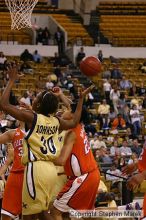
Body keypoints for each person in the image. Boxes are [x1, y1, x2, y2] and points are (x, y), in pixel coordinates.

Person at [0, 65, 93, 220]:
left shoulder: (33, 118)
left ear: (38, 105)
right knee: (43, 213)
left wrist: (11, 81)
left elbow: (4, 104)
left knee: (30, 216)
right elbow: (75, 120)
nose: (33, 99)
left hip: (36, 169)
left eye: (35, 99)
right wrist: (81, 99)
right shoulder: (56, 121)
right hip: (51, 171)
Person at [51, 105, 100, 220]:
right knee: (84, 214)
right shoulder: (79, 126)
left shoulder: (71, 133)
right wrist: (61, 96)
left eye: (67, 110)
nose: (64, 110)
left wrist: (42, 155)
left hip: (83, 177)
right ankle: (124, 209)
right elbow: (73, 107)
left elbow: (61, 160)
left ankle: (124, 209)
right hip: (92, 174)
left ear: (73, 115)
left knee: (55, 211)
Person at [0, 123, 25, 220]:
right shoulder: (13, 133)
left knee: (32, 213)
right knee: (6, 213)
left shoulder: (39, 131)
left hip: (33, 173)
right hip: (16, 175)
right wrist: (8, 160)